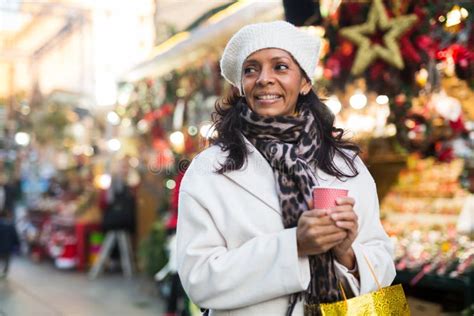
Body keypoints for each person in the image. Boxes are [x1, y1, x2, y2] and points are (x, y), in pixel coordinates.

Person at [176, 21, 395, 315]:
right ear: (241, 87)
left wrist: (347, 255)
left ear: (305, 82)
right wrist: (295, 246)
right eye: (251, 69)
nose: (264, 79)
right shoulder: (209, 169)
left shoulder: (345, 164)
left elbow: (384, 262)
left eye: (280, 67)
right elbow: (198, 280)